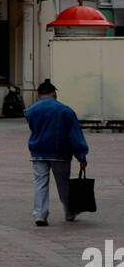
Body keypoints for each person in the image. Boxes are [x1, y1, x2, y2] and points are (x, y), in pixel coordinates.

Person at [25, 79, 89, 226]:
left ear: (38, 94)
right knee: (63, 184)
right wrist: (81, 155)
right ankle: (69, 211)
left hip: (38, 151)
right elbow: (74, 134)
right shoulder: (65, 110)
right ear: (54, 93)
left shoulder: (31, 110)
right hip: (60, 153)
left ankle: (40, 214)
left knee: (40, 183)